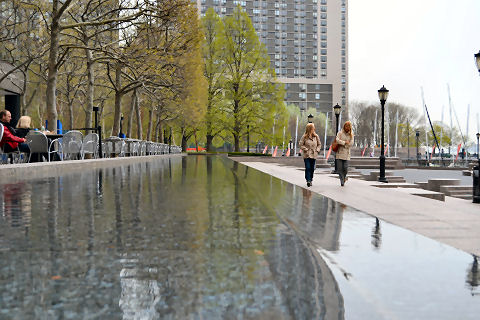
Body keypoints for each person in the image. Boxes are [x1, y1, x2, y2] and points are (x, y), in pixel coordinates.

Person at [299, 123, 321, 187]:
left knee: (312, 168)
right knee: (308, 167)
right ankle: (308, 180)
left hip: (314, 154)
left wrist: (317, 149)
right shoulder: (304, 136)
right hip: (307, 154)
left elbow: (319, 144)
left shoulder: (316, 136)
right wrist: (305, 149)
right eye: (313, 128)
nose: (314, 129)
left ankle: (311, 179)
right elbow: (301, 144)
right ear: (309, 129)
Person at [335, 120, 354, 186]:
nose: (347, 127)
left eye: (348, 126)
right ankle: (342, 180)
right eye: (346, 126)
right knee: (340, 169)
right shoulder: (340, 133)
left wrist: (344, 144)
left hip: (346, 153)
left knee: (345, 168)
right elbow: (337, 140)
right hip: (339, 153)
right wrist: (344, 142)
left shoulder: (351, 134)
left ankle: (344, 177)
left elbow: (351, 143)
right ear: (344, 126)